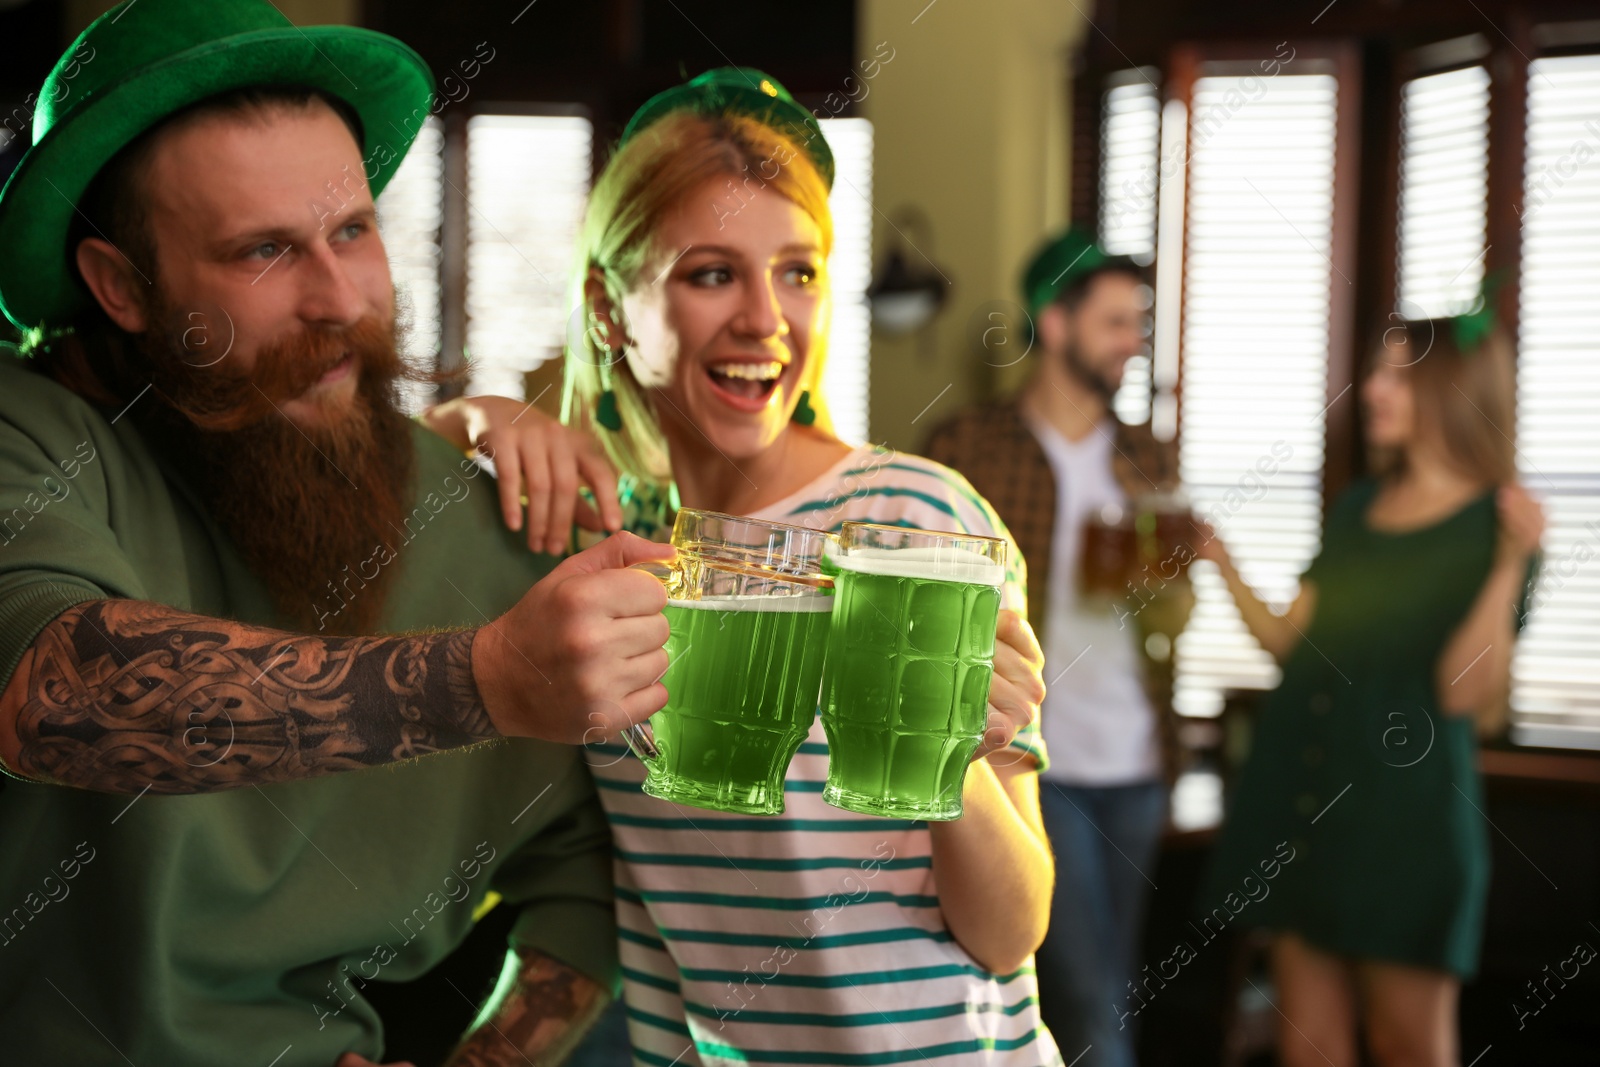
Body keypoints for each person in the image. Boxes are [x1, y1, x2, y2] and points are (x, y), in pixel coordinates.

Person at [0, 1, 676, 1062]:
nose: (341, 299)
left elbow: (596, 868)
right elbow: (54, 692)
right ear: (120, 286)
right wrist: (480, 681)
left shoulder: (478, 505)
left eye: (353, 230)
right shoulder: (26, 435)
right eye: (264, 251)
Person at [433, 68, 1061, 1065]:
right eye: (711, 272)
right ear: (608, 306)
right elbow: (387, 544)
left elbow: (1009, 928)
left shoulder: (917, 519)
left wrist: (957, 767)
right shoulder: (599, 546)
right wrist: (470, 415)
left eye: (798, 271)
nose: (765, 317)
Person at [1195, 315, 1544, 1067]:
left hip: (1404, 830)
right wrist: (1220, 561)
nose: (1374, 391)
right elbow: (1293, 645)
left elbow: (1465, 698)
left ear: (1449, 391)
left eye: (1396, 375)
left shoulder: (1499, 525)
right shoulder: (1357, 509)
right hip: (1302, 808)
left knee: (1406, 1047)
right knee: (1309, 1049)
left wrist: (1512, 563)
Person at [922, 228, 1191, 1066]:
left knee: (1115, 983)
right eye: (1116, 321)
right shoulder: (964, 452)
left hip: (1136, 762)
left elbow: (1174, 621)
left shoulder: (1147, 454)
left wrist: (1173, 575)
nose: (1132, 341)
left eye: (1138, 322)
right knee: (1084, 995)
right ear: (1058, 320)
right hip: (1035, 765)